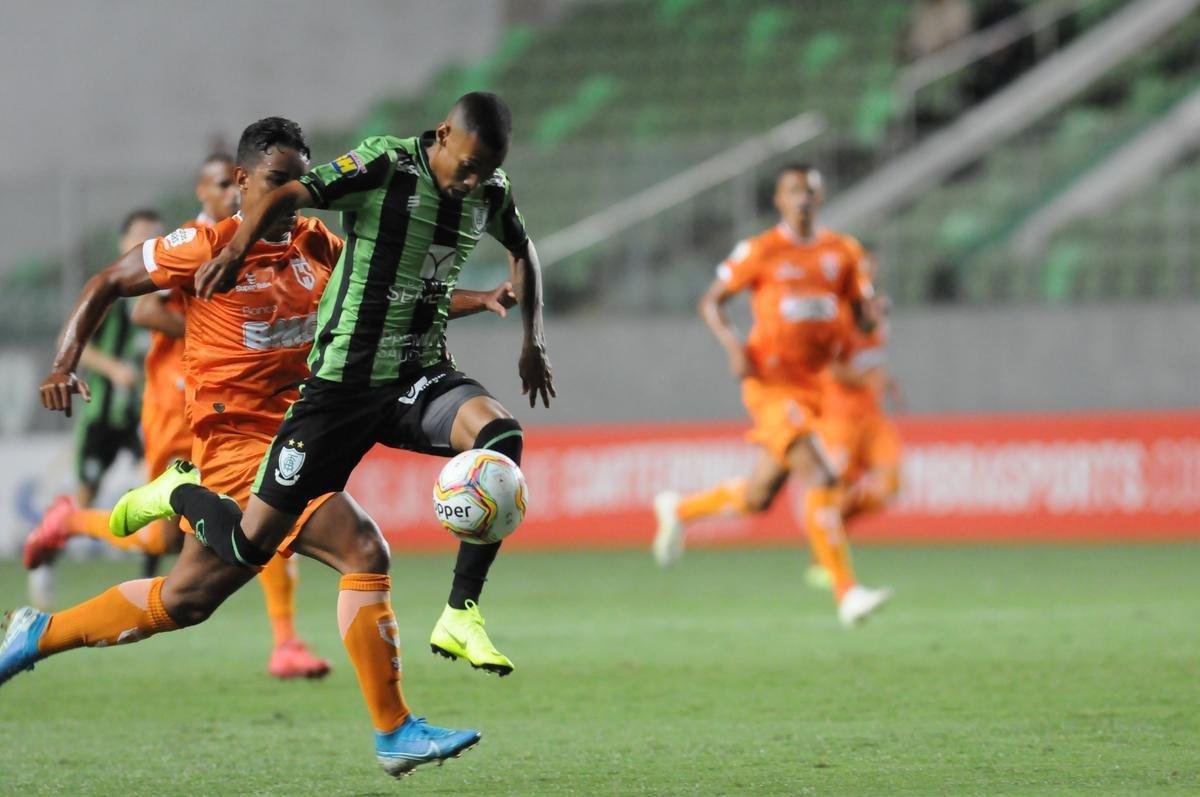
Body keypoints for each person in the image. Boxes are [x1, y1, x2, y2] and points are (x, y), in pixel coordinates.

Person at [5, 100, 548, 776]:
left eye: (298, 184)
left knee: (187, 598)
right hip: (235, 444)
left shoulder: (309, 246)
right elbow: (107, 283)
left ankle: (39, 632)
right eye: (275, 184)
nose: (290, 203)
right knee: (361, 545)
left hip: (297, 430)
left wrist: (482, 298)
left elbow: (387, 286)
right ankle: (394, 729)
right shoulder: (201, 246)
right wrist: (63, 362)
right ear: (242, 181)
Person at [22, 157, 330, 680]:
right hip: (174, 407)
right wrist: (223, 335)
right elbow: (140, 309)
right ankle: (69, 520)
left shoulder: (267, 240)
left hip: (236, 406)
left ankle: (285, 640)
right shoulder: (197, 241)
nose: (229, 197)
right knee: (163, 541)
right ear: (208, 190)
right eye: (217, 185)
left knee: (270, 504)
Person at [651, 163, 892, 627]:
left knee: (760, 496)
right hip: (770, 384)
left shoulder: (843, 252)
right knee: (821, 477)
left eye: (810, 190)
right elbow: (711, 301)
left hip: (814, 387)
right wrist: (735, 345)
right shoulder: (761, 250)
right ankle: (847, 593)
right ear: (779, 200)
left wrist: (871, 315)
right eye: (793, 190)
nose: (802, 198)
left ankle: (679, 509)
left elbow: (860, 317)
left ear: (820, 199)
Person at [807, 262, 903, 589]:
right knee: (833, 492)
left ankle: (833, 537)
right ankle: (821, 559)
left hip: (871, 416)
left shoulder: (876, 320)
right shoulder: (835, 319)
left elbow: (871, 359)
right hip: (840, 417)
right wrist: (865, 379)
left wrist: (884, 382)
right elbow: (829, 367)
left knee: (889, 487)